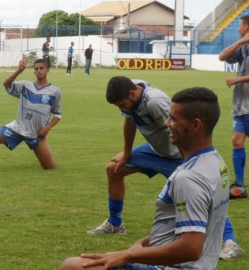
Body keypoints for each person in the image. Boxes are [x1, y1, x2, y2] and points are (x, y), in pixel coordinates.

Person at [58, 87, 233, 270]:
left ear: (196, 125)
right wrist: (154, 241)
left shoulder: (189, 177)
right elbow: (202, 222)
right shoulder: (216, 162)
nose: (167, 123)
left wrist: (129, 255)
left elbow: (191, 247)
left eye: (174, 119)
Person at [87, 77, 242, 260]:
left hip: (177, 156)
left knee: (202, 193)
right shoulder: (131, 91)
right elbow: (130, 122)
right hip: (155, 152)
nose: (121, 108)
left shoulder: (154, 102)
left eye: (122, 104)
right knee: (114, 168)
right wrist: (127, 154)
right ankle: (115, 224)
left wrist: (189, 163)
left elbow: (179, 129)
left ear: (132, 93)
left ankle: (231, 242)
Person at [0, 57, 61, 169]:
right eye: (36, 68)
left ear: (47, 70)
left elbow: (57, 115)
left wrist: (47, 128)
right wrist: (19, 71)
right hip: (17, 128)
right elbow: (6, 84)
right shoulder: (25, 85)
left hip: (37, 134)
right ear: (34, 71)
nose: (39, 70)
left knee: (49, 166)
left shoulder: (55, 91)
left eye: (42, 68)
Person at [218, 13, 249, 200]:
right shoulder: (243, 48)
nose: (238, 29)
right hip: (241, 106)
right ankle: (239, 185)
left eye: (241, 26)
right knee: (237, 142)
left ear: (247, 27)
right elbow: (222, 56)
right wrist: (240, 42)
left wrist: (238, 78)